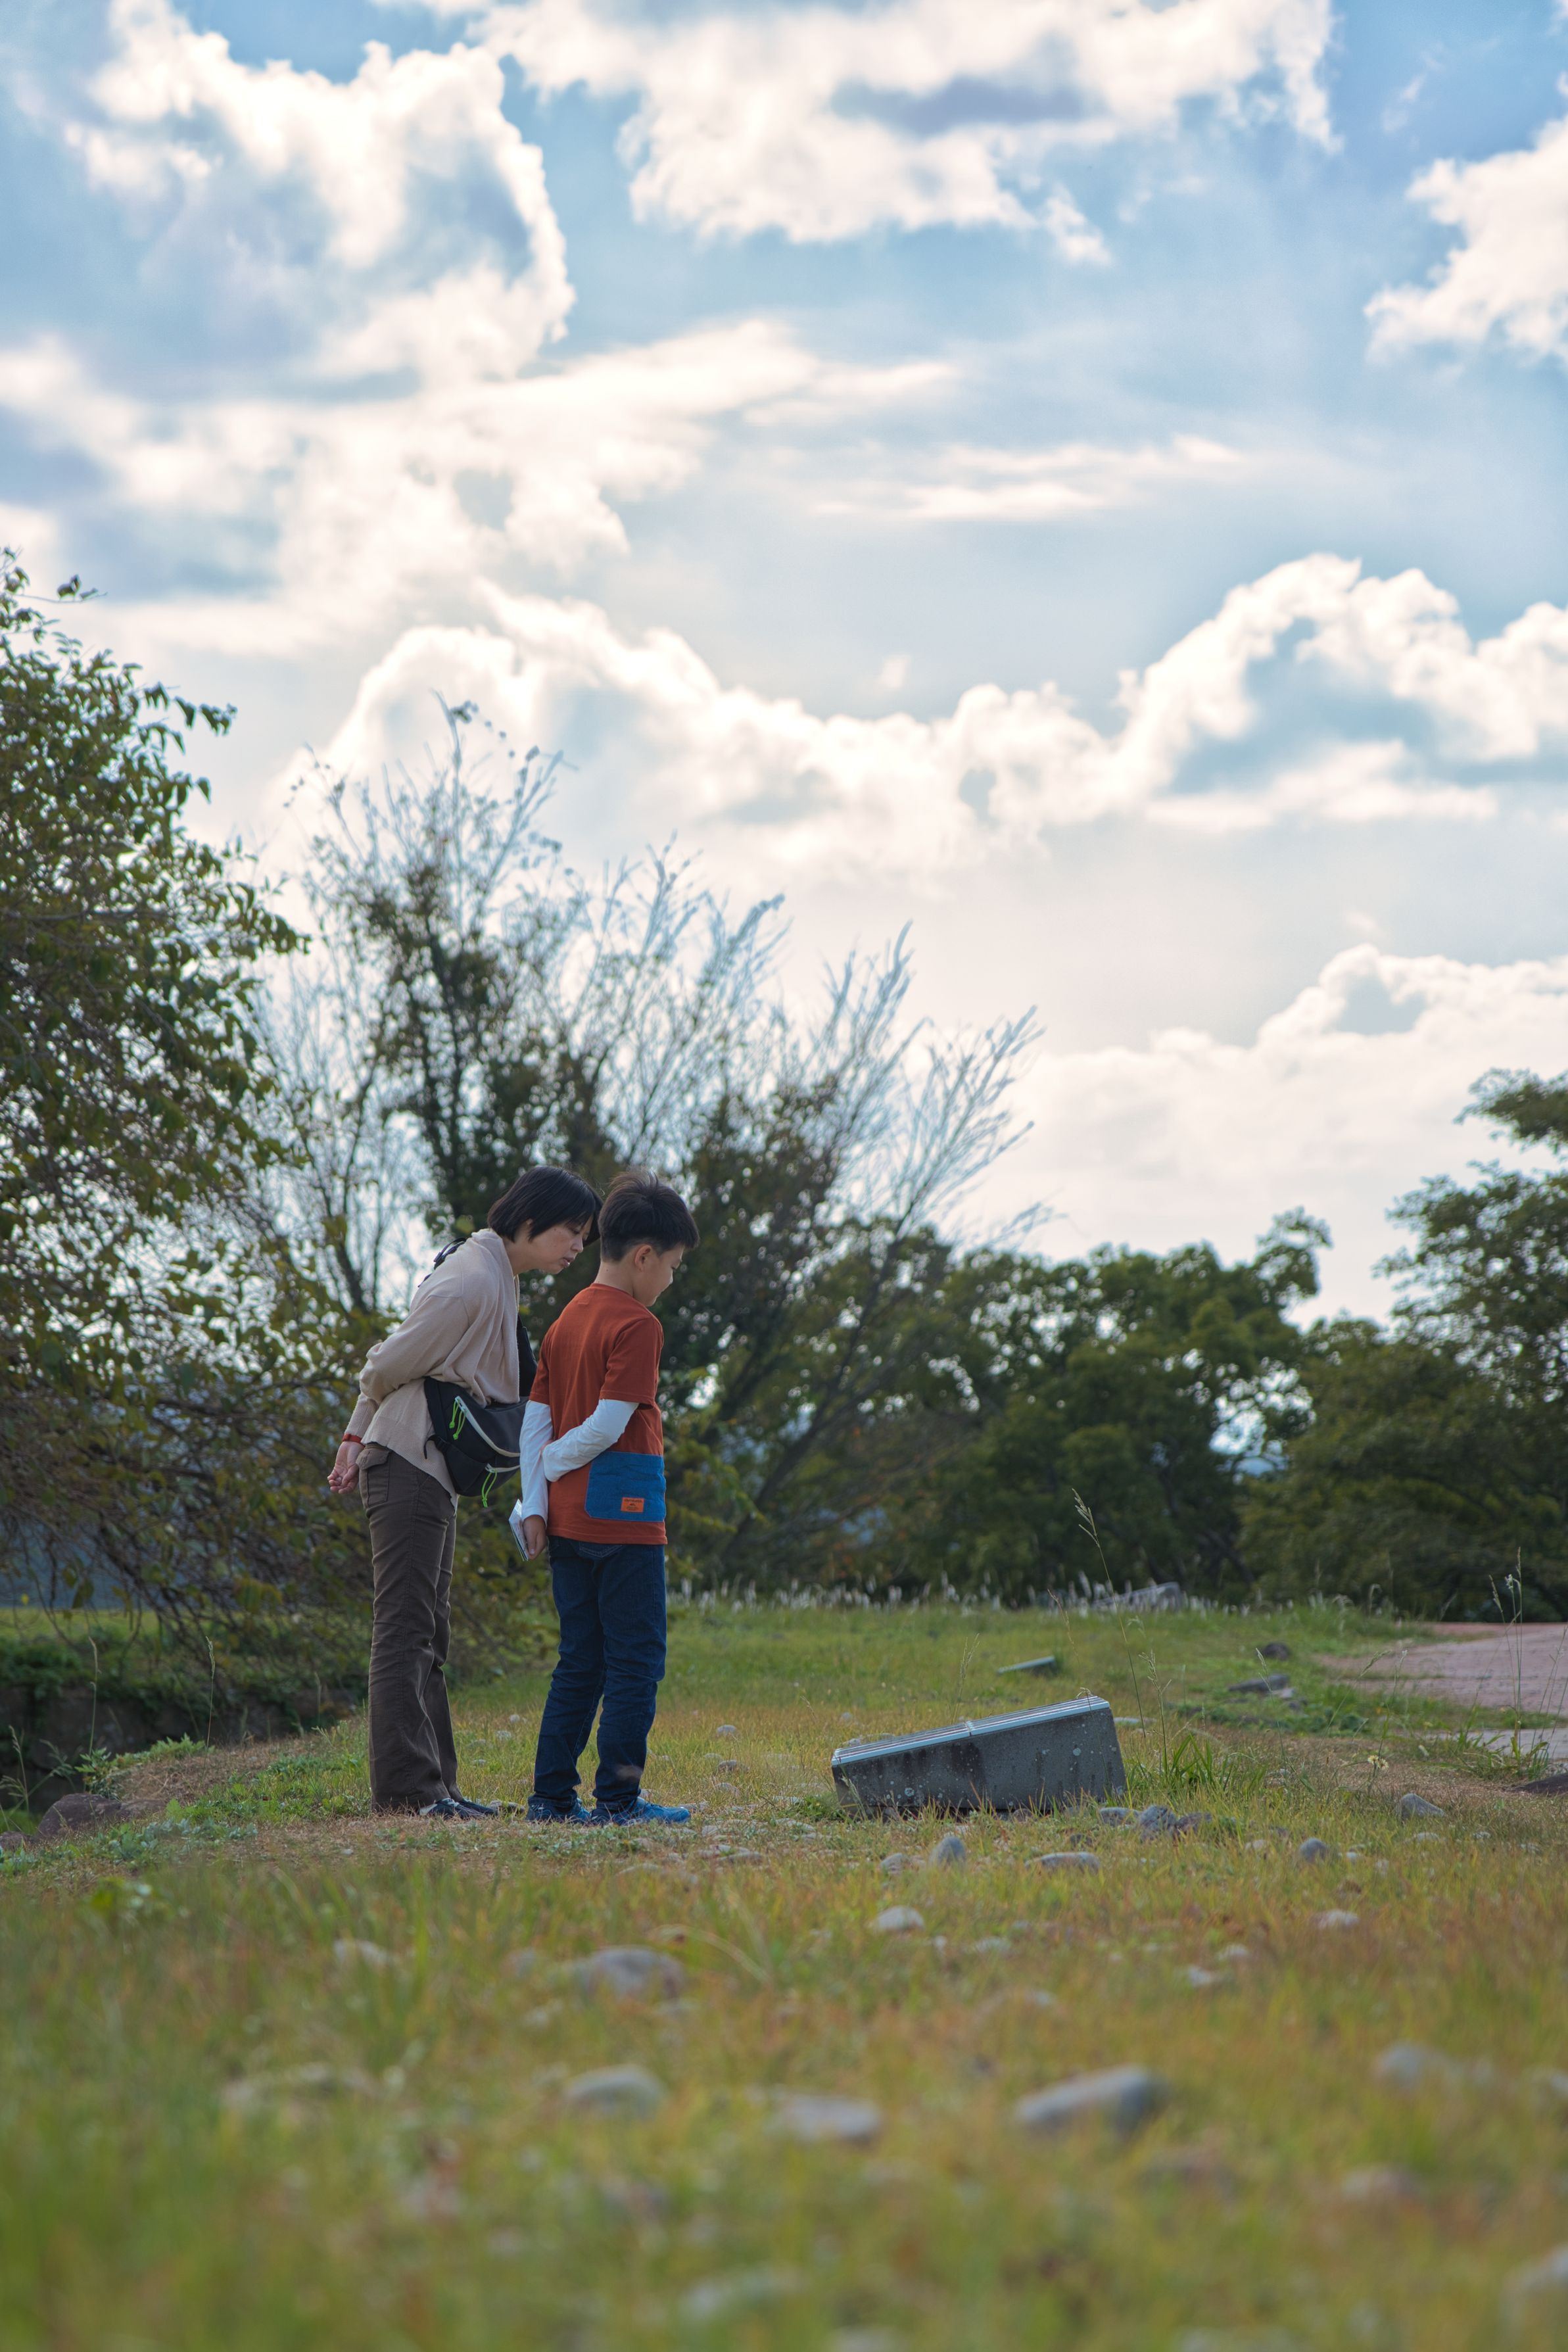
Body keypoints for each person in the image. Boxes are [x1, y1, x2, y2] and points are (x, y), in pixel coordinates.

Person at [327, 1166, 600, 1819]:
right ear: (530, 1220)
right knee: (405, 1628)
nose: (576, 1246)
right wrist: (355, 1431)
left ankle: (438, 1788)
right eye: (571, 1231)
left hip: (429, 1468)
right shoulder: (471, 1278)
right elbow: (388, 1362)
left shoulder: (497, 1274)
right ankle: (407, 1793)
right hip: (406, 1458)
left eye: (585, 1236)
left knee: (429, 1630)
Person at [517, 1169, 698, 1825]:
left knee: (580, 1660)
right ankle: (619, 1801)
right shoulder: (638, 1325)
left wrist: (535, 1503)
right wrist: (553, 1464)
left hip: (567, 1521)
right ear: (644, 1255)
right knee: (636, 1660)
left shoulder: (565, 1320)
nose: (670, 1281)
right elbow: (607, 1423)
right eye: (672, 1266)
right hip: (623, 1521)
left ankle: (550, 1797)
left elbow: (534, 1421)